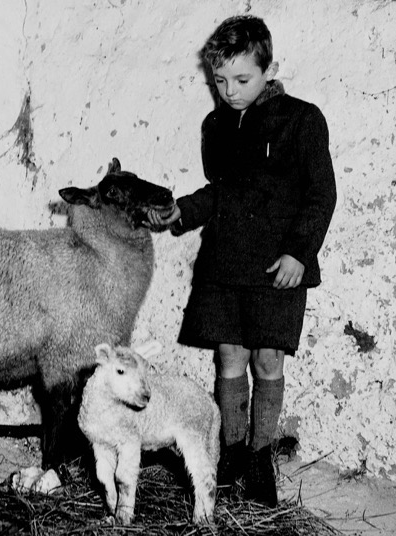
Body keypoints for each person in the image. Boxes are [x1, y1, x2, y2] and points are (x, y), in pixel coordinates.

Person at [149, 15, 336, 507]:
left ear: (267, 68)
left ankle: (260, 456)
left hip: (279, 266)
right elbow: (221, 193)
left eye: (242, 80)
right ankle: (231, 452)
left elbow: (321, 194)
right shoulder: (216, 126)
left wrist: (300, 250)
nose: (229, 92)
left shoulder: (302, 119)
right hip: (226, 262)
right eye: (220, 82)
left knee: (267, 359)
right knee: (230, 355)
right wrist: (181, 211)